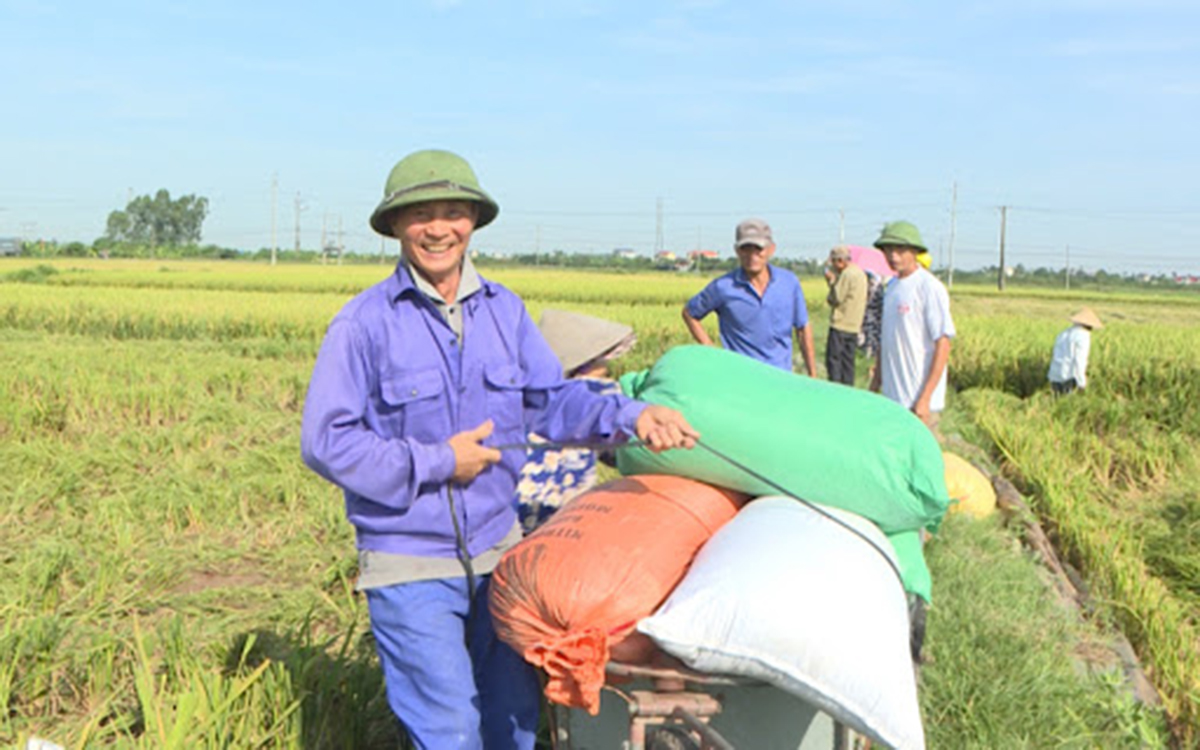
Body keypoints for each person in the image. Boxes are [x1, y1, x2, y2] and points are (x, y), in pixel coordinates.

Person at [299, 149, 698, 750]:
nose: (438, 228)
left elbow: (552, 403)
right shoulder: (363, 324)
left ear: (474, 222)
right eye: (420, 214)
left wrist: (632, 416)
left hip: (499, 552)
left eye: (453, 212)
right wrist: (437, 461)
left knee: (513, 721)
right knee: (451, 731)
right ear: (396, 228)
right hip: (408, 560)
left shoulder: (504, 312)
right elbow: (327, 441)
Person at [516, 308, 636, 532]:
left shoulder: (524, 391)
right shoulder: (597, 395)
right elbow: (621, 454)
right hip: (562, 518)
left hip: (509, 517)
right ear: (589, 362)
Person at [681, 218, 817, 375]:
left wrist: (812, 375)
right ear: (737, 251)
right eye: (746, 249)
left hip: (781, 377)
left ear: (771, 249)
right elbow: (690, 313)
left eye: (758, 249)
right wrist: (711, 350)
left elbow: (802, 328)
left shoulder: (789, 283)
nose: (752, 255)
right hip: (741, 378)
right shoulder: (723, 287)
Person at [869, 220, 956, 431]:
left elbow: (943, 344)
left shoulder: (929, 287)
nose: (893, 256)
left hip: (918, 402)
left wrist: (925, 398)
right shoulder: (892, 288)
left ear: (915, 251)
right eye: (888, 250)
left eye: (900, 250)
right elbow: (887, 340)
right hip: (893, 397)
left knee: (918, 462)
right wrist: (875, 384)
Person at [823, 246, 868, 386]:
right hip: (854, 325)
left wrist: (831, 281)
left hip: (841, 324)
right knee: (848, 363)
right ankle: (849, 390)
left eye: (835, 263)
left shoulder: (847, 274)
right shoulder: (860, 273)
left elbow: (836, 297)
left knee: (834, 362)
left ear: (841, 261)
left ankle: (835, 391)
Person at [1048, 307, 1103, 395]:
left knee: (1056, 402)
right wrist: (1082, 382)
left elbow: (1055, 354)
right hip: (1069, 377)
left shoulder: (1063, 333)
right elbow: (1079, 360)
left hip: (1054, 374)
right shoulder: (1083, 337)